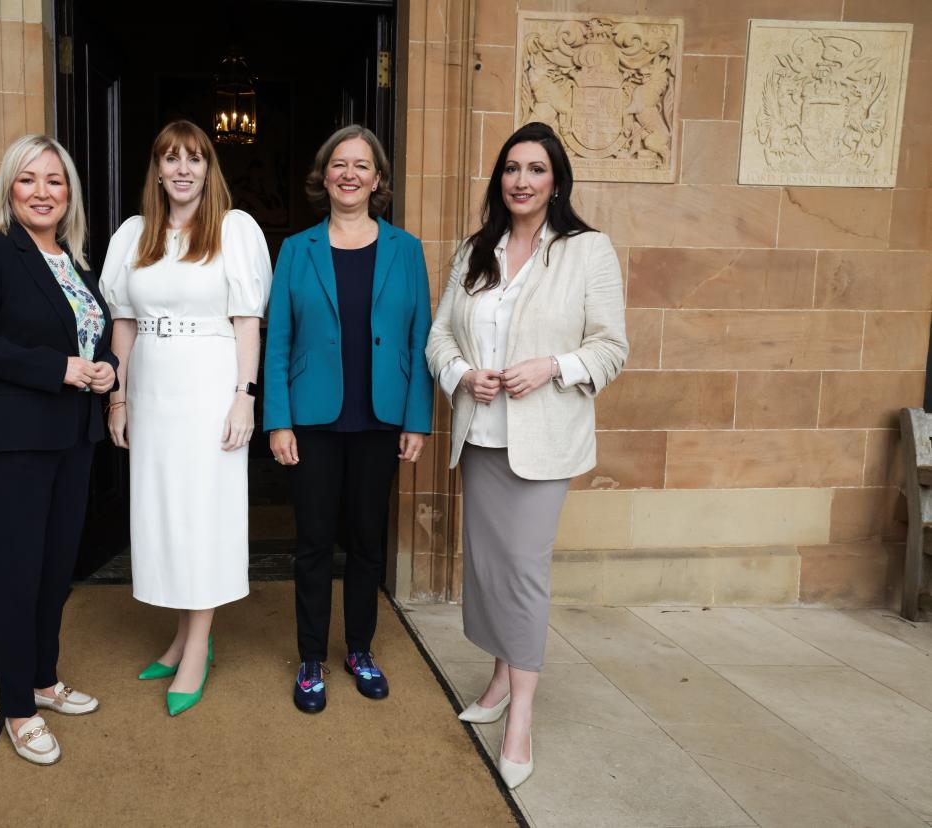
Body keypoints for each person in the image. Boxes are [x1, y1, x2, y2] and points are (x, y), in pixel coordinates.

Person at [426, 121, 627, 787]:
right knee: (486, 566)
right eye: (512, 168)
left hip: (544, 440)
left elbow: (611, 346)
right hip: (480, 434)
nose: (521, 180)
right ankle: (499, 679)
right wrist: (460, 374)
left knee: (523, 569)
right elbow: (437, 337)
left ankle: (522, 719)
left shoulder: (587, 251)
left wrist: (553, 367)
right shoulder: (472, 251)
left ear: (557, 181)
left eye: (535, 169)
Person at [0, 134, 118, 765]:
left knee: (54, 573)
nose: (42, 192)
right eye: (28, 180)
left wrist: (108, 371)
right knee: (16, 577)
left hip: (73, 440)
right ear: (9, 189)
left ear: (69, 194)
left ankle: (44, 681)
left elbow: (92, 343)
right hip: (11, 441)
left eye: (55, 181)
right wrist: (61, 370)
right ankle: (17, 707)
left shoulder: (76, 264)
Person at [101, 120, 272, 717]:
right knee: (167, 515)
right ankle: (181, 636)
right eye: (170, 158)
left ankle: (199, 645)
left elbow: (248, 322)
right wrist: (117, 398)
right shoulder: (133, 235)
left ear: (208, 168)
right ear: (156, 168)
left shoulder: (234, 229)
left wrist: (244, 396)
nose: (182, 169)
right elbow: (123, 323)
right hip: (153, 388)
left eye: (194, 159)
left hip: (209, 385)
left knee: (203, 515)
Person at [264, 125, 433, 714]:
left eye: (362, 166)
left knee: (366, 543)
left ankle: (359, 648)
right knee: (311, 543)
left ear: (378, 179)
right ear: (324, 175)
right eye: (340, 164)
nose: (350, 175)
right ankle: (311, 656)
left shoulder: (407, 251)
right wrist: (277, 420)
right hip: (312, 420)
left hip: (380, 420)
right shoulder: (296, 250)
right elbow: (278, 339)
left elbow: (419, 340)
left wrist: (417, 419)